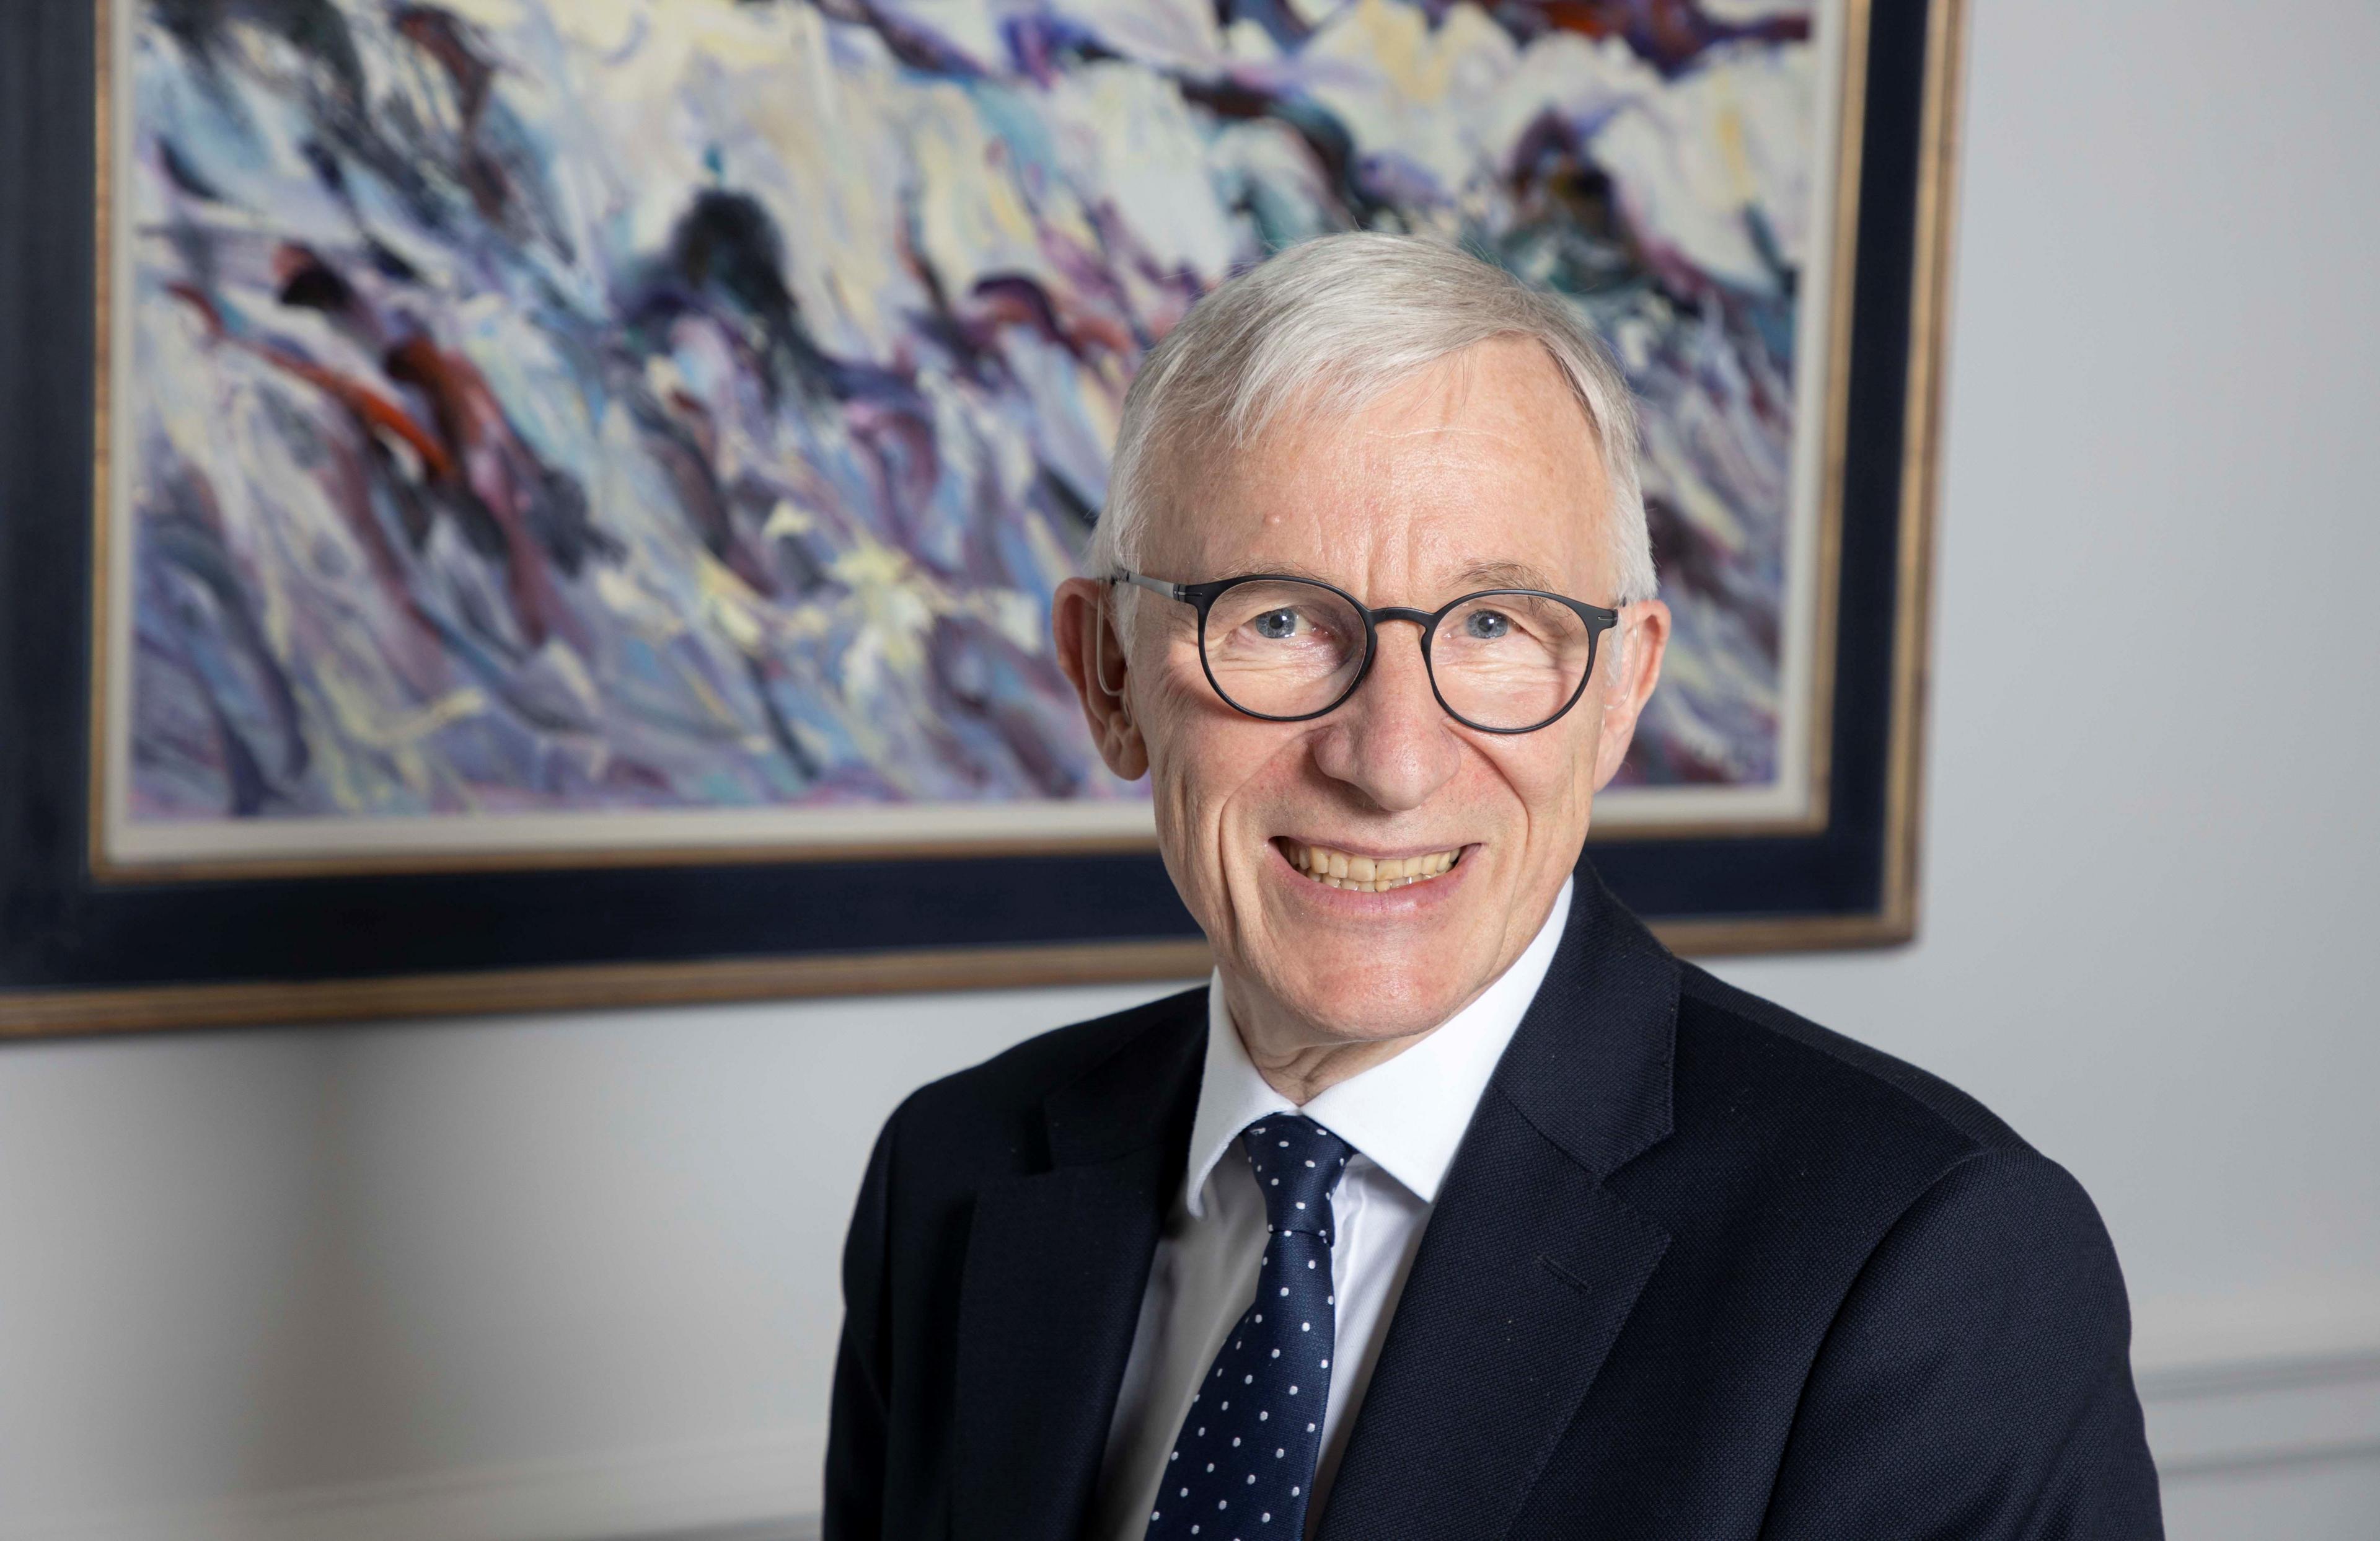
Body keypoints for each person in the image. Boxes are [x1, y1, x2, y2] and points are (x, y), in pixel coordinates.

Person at [823, 234, 2161, 1540]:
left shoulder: (1928, 1265)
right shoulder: (954, 1174)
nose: (1391, 762)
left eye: (1494, 627)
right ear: (1109, 677)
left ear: (1623, 689)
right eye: (1280, 619)